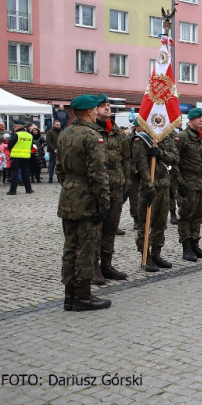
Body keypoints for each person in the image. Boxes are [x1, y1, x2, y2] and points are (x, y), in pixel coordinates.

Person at [55, 94, 111, 312]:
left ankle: (70, 295)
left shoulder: (65, 134)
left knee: (70, 246)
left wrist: (70, 187)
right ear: (89, 112)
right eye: (96, 108)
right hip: (87, 198)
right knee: (87, 247)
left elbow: (60, 169)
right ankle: (83, 296)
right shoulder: (92, 136)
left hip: (68, 196)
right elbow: (98, 174)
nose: (99, 110)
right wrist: (104, 203)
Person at [92, 95, 130, 284]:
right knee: (95, 229)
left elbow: (126, 159)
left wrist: (126, 185)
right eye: (102, 106)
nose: (107, 108)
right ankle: (94, 267)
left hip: (116, 187)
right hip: (97, 189)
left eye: (108, 105)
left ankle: (107, 265)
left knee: (111, 228)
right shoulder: (90, 130)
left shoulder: (117, 132)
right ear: (93, 110)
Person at [133, 119, 179, 272]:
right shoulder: (142, 138)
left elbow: (175, 158)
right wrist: (148, 186)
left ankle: (156, 253)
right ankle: (145, 256)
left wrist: (161, 154)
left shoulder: (168, 137)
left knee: (160, 223)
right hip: (149, 187)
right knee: (146, 223)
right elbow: (141, 165)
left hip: (164, 185)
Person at [176, 108, 202, 261]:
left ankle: (195, 244)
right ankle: (186, 247)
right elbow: (174, 162)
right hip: (188, 182)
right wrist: (180, 182)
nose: (201, 120)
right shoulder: (182, 137)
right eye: (197, 117)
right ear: (190, 120)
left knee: (198, 215)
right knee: (186, 215)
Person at [6, 120, 33, 195]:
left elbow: (10, 146)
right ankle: (28, 189)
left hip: (16, 156)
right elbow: (31, 146)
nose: (14, 127)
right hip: (26, 156)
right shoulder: (29, 135)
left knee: (14, 173)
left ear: (20, 126)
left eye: (15, 126)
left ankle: (13, 190)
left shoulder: (16, 134)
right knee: (26, 173)